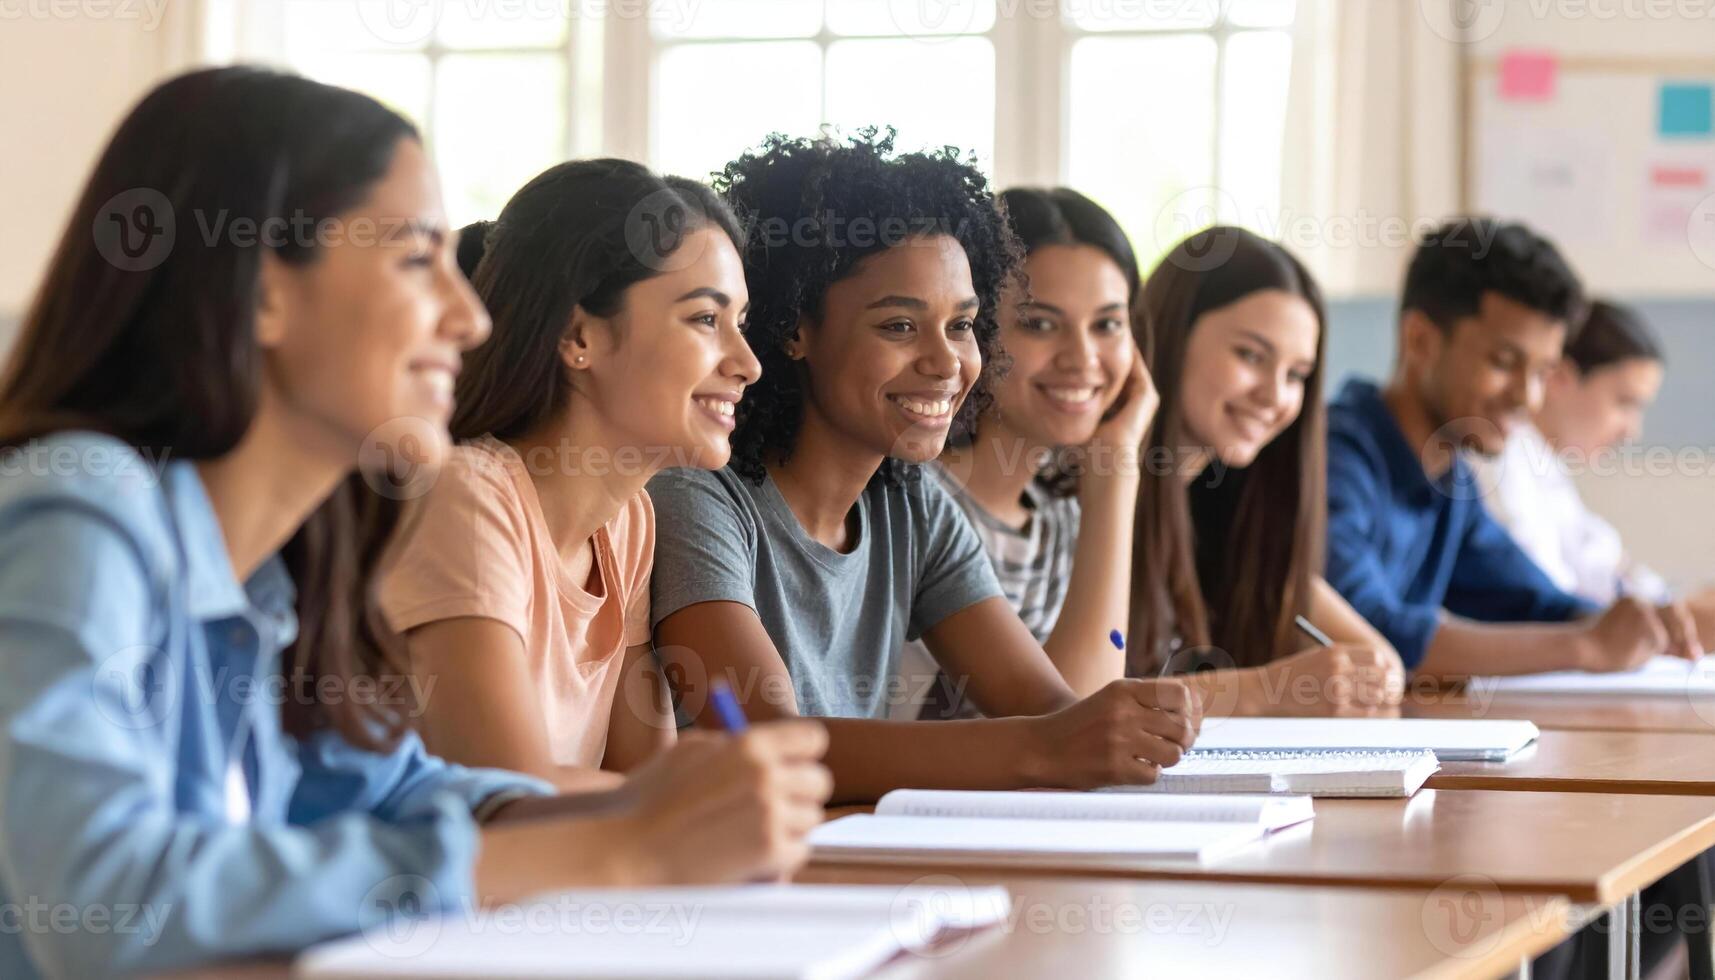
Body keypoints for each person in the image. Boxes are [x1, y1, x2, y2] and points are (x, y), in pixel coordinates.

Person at [0, 68, 829, 979]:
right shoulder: (79, 515)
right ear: (263, 290)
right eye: (412, 259)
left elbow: (388, 787)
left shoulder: (283, 559)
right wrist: (615, 851)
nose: (468, 315)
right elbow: (101, 903)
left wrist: (647, 812)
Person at [648, 131, 1200, 805]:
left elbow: (1049, 709)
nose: (946, 364)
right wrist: (1047, 746)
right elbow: (763, 739)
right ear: (794, 328)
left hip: (846, 868)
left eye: (962, 325)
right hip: (723, 889)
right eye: (900, 327)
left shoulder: (908, 501)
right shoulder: (696, 496)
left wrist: (1134, 722)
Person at [379, 161, 761, 790]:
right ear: (579, 335)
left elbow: (643, 779)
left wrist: (683, 795)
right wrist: (697, 792)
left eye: (739, 324)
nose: (747, 363)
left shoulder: (629, 521)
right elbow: (509, 793)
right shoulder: (464, 496)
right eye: (704, 319)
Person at [1323, 217, 1702, 681]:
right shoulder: (1334, 458)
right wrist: (1584, 645)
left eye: (1543, 372)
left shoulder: (1450, 476)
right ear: (1419, 341)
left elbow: (1532, 602)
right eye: (1504, 362)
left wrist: (1631, 624)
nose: (1528, 397)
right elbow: (1366, 632)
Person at [895, 187, 1156, 721]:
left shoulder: (1057, 516)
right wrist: (1115, 475)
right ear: (976, 331)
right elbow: (1074, 729)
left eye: (1107, 324)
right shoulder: (914, 503)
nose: (1083, 359)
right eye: (1040, 323)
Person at [1132, 226, 1404, 716]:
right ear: (1172, 335)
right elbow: (1082, 709)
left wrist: (1348, 678)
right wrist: (1264, 690)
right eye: (1251, 356)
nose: (1276, 396)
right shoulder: (1093, 488)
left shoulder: (1227, 506)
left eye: (1297, 375)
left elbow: (1381, 665)